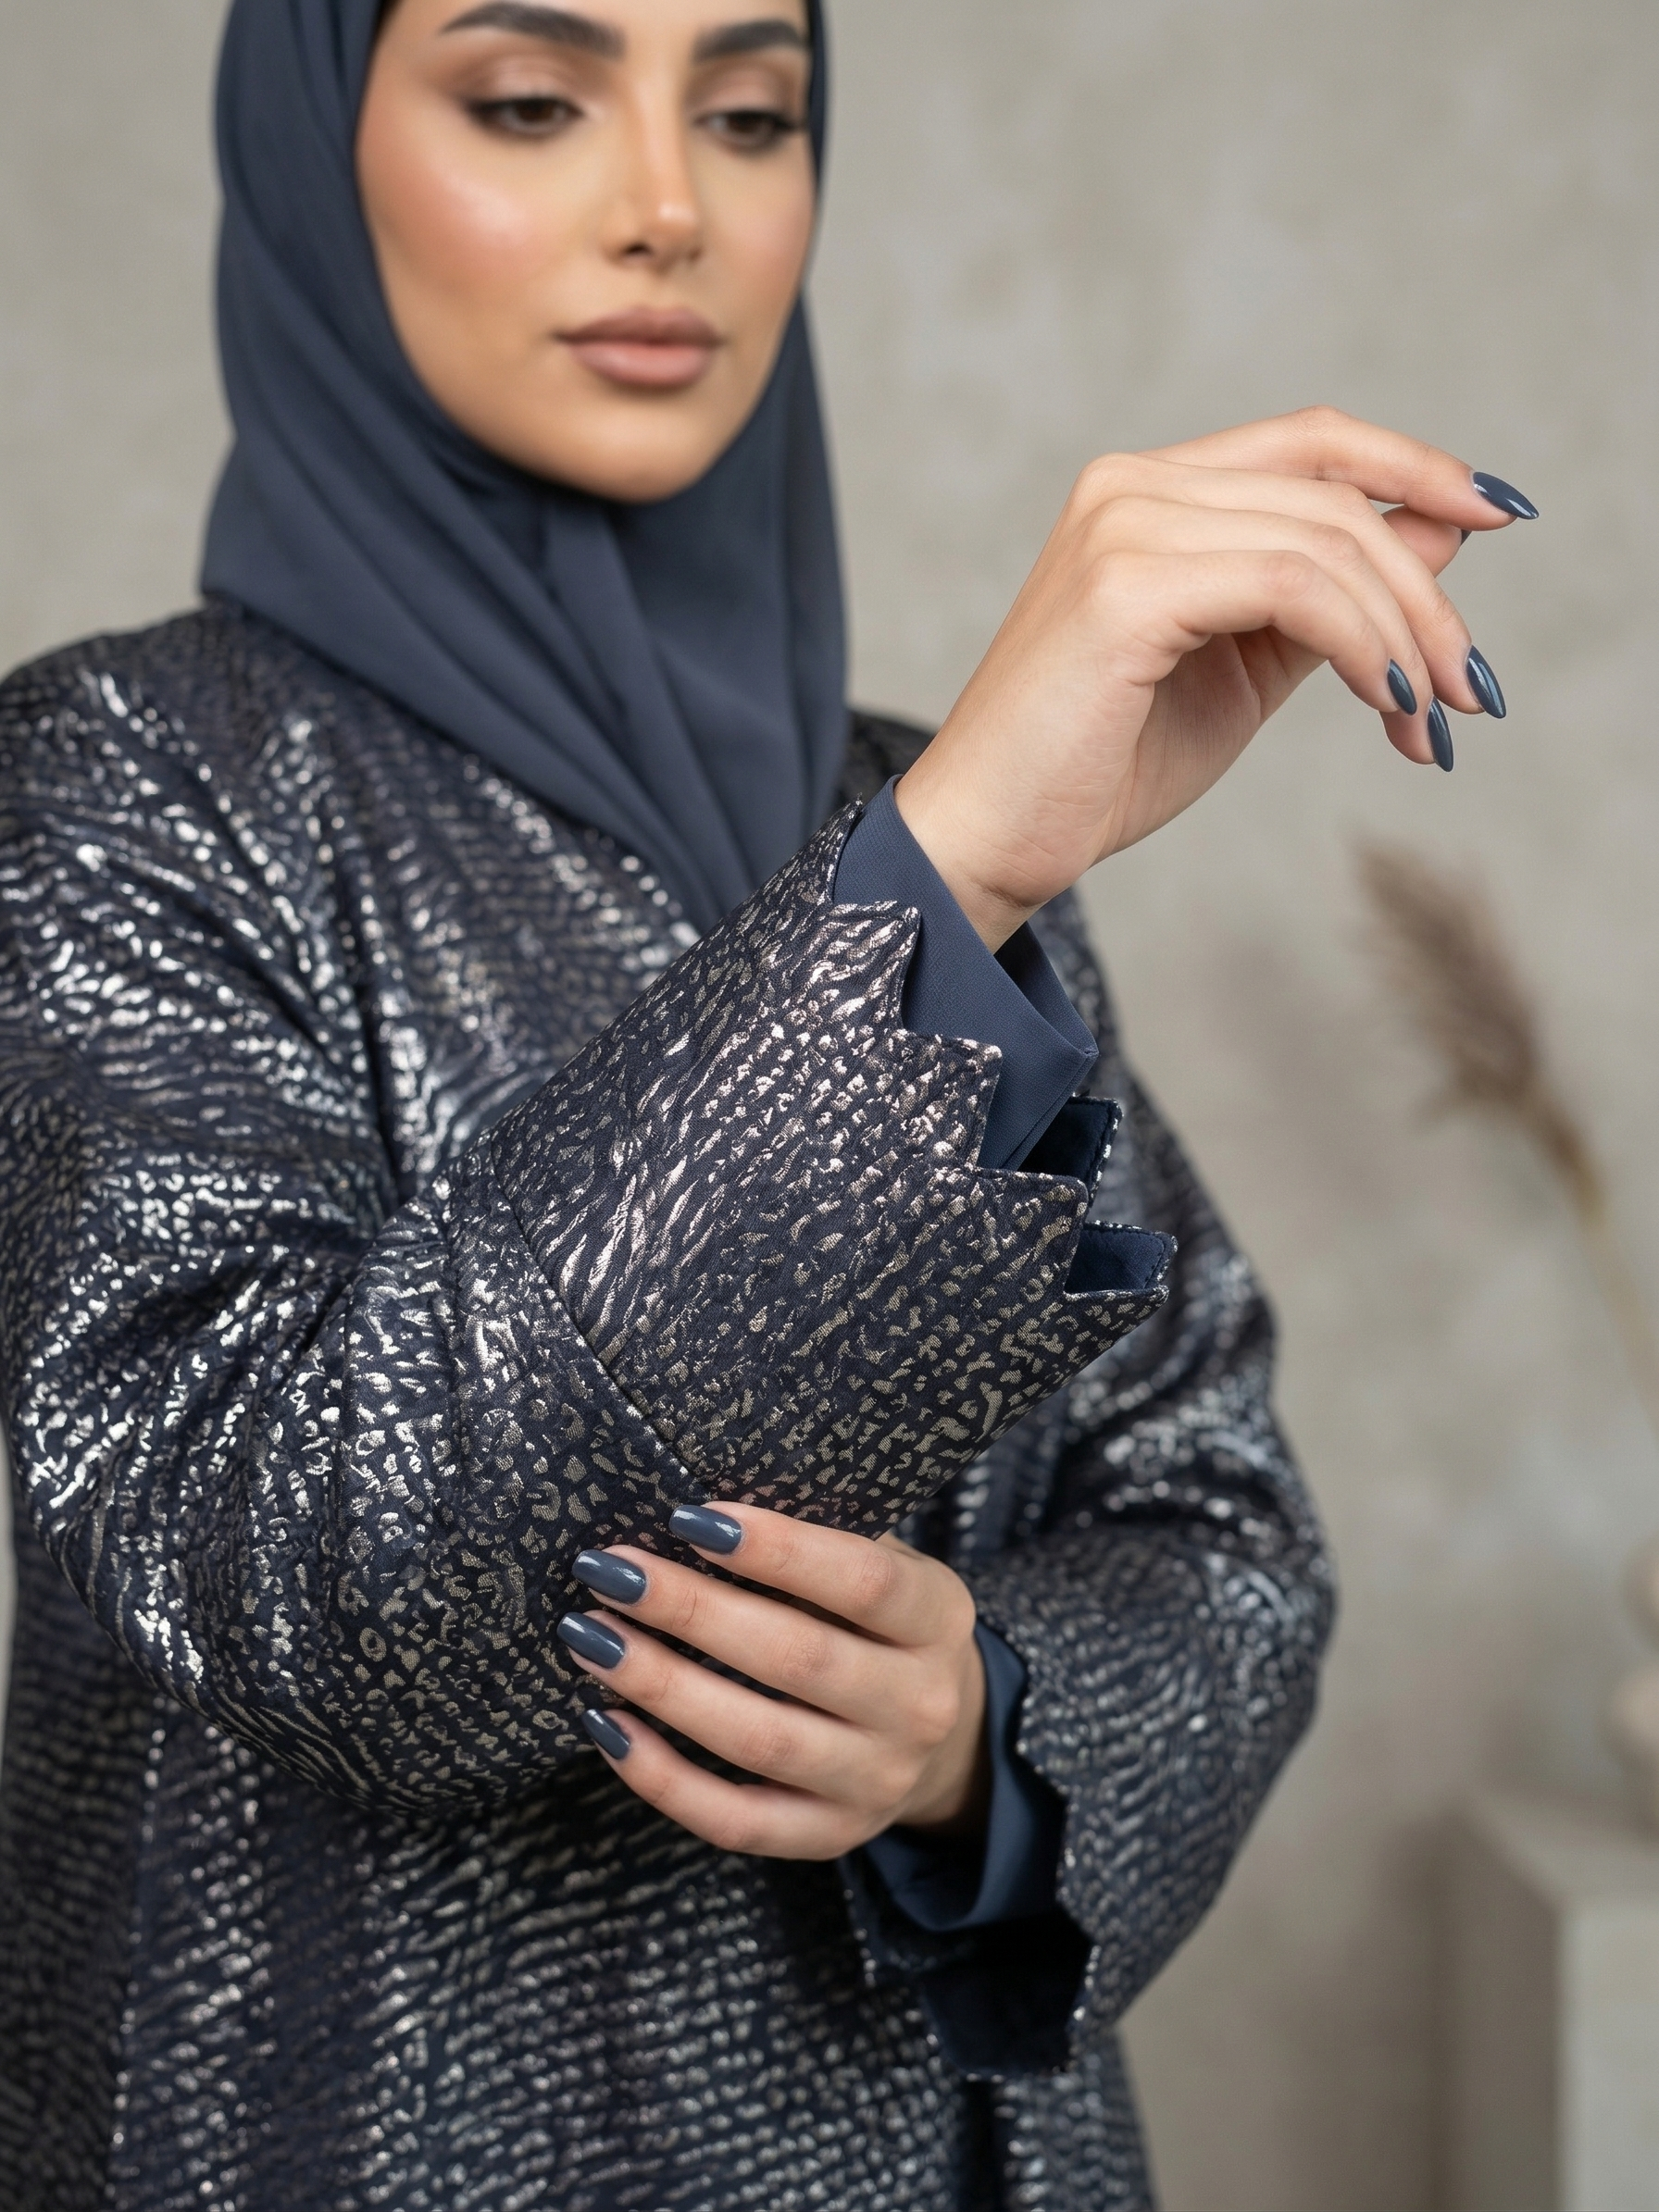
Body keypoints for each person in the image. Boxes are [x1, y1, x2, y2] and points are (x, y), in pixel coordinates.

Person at [0, 1, 1533, 2206]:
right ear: (317, 153)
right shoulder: (122, 793)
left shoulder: (901, 808)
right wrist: (939, 873)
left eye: (747, 113)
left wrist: (978, 1728)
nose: (667, 206)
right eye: (529, 101)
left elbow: (1216, 1514)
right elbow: (313, 1590)